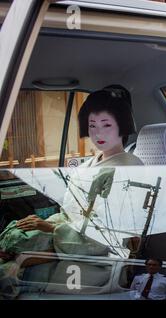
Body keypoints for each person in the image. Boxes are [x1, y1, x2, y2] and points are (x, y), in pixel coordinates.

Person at [0, 85, 144, 256]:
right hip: (70, 238)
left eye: (106, 125)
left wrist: (49, 231)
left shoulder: (127, 169)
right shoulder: (89, 164)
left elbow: (107, 237)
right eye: (92, 126)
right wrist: (43, 226)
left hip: (94, 255)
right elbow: (70, 213)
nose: (98, 134)